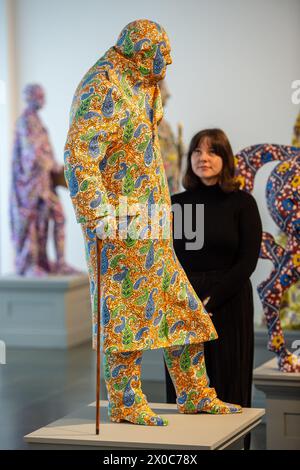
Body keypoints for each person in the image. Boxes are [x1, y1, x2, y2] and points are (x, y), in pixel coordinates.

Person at [64, 21, 242, 427]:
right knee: (123, 314)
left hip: (152, 223)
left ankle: (195, 393)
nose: (170, 59)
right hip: (119, 226)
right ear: (140, 51)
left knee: (181, 306)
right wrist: (98, 217)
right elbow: (79, 156)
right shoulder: (102, 86)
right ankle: (125, 401)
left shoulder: (143, 82)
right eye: (162, 51)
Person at [165, 129, 262, 445]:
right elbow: (168, 256)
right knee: (183, 386)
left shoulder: (242, 203)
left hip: (228, 300)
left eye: (212, 152)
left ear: (225, 158)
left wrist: (212, 299)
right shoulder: (176, 204)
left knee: (228, 380)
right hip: (183, 301)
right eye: (196, 152)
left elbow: (247, 261)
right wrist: (187, 298)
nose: (203, 158)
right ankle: (184, 448)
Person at [10, 84, 78, 276]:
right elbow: (32, 155)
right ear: (30, 97)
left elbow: (43, 153)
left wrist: (54, 166)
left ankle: (60, 262)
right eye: (39, 96)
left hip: (44, 181)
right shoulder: (25, 121)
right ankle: (31, 264)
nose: (42, 99)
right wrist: (54, 166)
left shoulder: (36, 120)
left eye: (43, 95)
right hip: (32, 186)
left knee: (57, 217)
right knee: (34, 223)